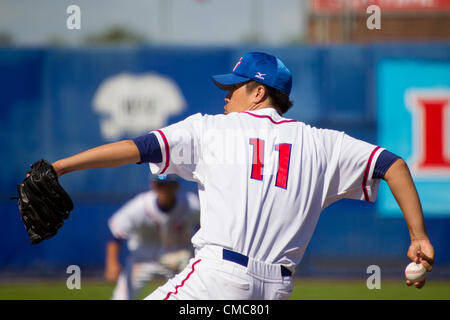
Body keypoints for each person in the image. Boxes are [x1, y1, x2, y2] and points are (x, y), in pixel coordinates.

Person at [51, 52, 434, 300]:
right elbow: (393, 165)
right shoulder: (324, 144)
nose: (226, 97)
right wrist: (418, 236)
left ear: (257, 92)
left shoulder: (211, 129)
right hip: (276, 289)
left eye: (233, 88)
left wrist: (60, 167)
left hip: (218, 279)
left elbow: (139, 148)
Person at [104, 174, 200, 300]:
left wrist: (196, 254)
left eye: (168, 185)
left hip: (178, 257)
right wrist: (112, 263)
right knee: (121, 298)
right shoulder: (141, 205)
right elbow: (116, 232)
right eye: (160, 185)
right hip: (144, 258)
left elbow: (204, 228)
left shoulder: (190, 204)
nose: (164, 189)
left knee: (193, 297)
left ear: (176, 186)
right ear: (153, 185)